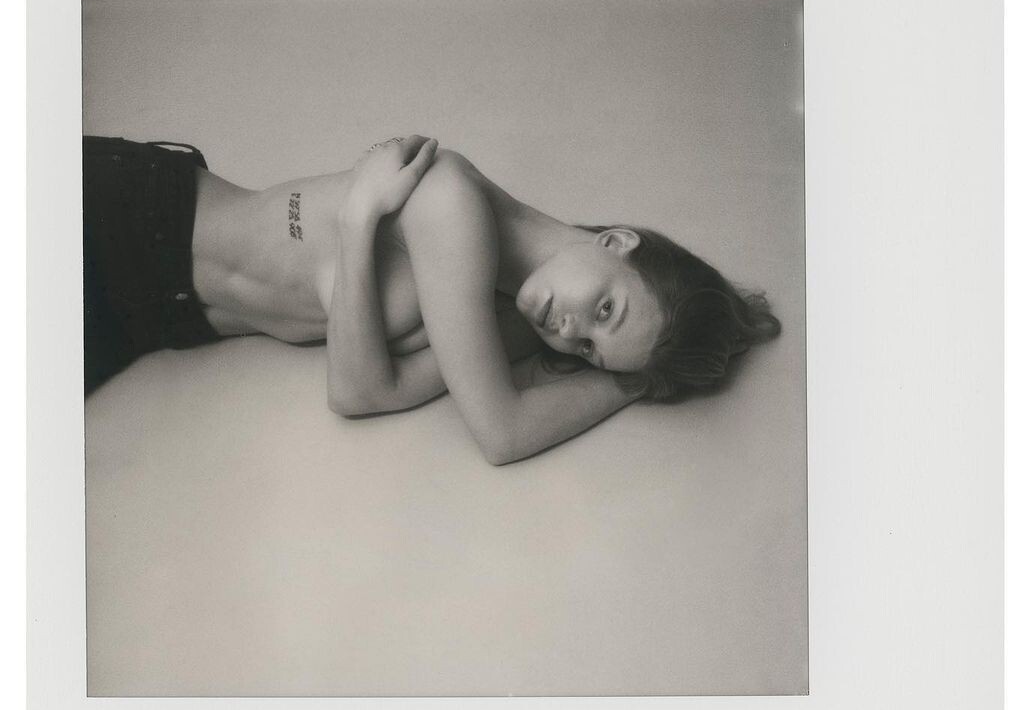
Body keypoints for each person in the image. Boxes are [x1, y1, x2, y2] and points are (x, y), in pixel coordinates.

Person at [83, 133, 780, 463]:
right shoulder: (452, 208)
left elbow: (373, 390)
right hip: (120, 223)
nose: (572, 331)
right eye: (605, 310)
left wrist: (641, 374)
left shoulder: (514, 311)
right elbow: (499, 433)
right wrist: (360, 218)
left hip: (158, 314)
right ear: (618, 241)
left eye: (591, 351)